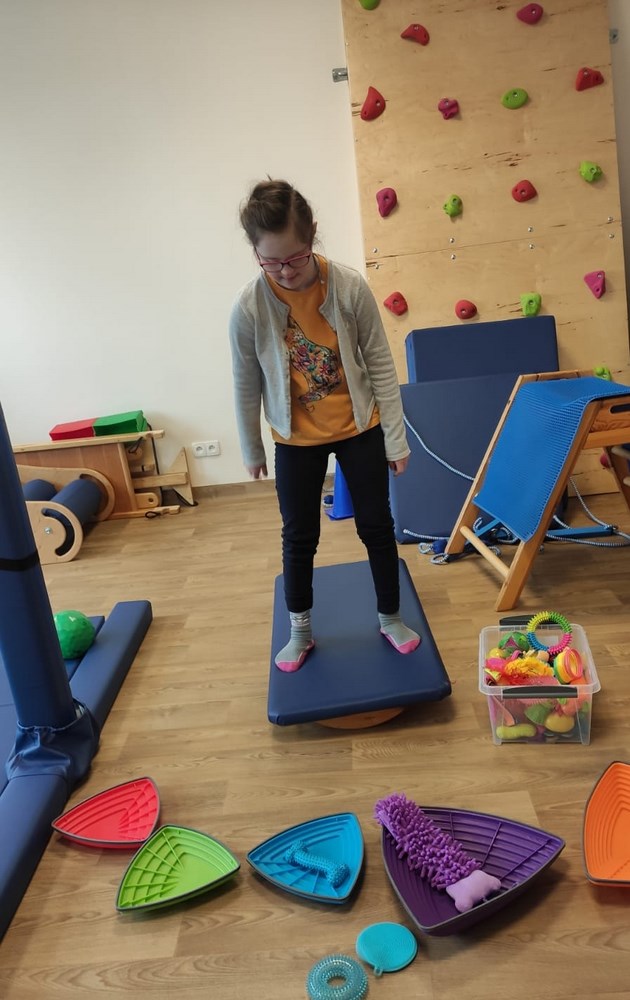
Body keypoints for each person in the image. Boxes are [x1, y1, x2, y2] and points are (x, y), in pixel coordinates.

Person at [229, 179, 420, 672]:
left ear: (312, 235)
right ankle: (300, 630)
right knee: (299, 536)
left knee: (377, 526)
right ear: (256, 253)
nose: (286, 271)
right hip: (295, 439)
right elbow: (246, 381)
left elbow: (380, 365)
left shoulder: (349, 287)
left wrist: (395, 438)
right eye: (271, 262)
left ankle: (390, 617)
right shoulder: (249, 307)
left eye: (295, 258)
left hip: (360, 427)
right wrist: (252, 447)